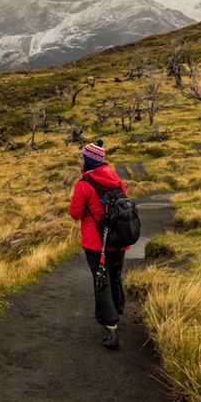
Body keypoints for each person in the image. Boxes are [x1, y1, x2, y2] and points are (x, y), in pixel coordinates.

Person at [68, 140, 130, 350]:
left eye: (81, 157)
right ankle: (117, 311)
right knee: (114, 276)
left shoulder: (84, 185)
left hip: (96, 244)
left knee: (101, 281)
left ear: (88, 161)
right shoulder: (117, 180)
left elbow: (75, 213)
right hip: (119, 241)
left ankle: (110, 327)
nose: (78, 161)